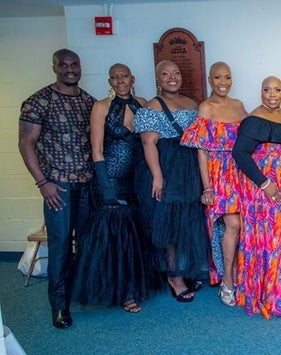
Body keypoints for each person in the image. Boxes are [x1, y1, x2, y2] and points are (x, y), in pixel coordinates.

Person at [18, 49, 96, 329]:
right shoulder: (39, 101)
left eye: (74, 64)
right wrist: (43, 183)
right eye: (63, 65)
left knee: (87, 243)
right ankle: (59, 306)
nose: (70, 69)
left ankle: (79, 293)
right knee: (61, 245)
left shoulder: (89, 101)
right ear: (54, 67)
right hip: (57, 187)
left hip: (87, 184)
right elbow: (25, 142)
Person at [73, 63, 154, 313]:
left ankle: (133, 286)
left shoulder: (142, 103)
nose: (120, 81)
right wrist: (105, 186)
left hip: (137, 178)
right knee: (117, 237)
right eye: (114, 78)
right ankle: (124, 292)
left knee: (136, 235)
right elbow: (96, 150)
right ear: (109, 81)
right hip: (111, 178)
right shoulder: (101, 107)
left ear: (132, 78)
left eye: (124, 76)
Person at [134, 60, 208, 303]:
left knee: (188, 223)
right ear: (158, 80)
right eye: (165, 74)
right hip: (167, 168)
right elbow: (148, 143)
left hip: (190, 168)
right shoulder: (151, 107)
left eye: (176, 73)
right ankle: (174, 278)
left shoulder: (192, 103)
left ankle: (186, 271)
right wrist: (157, 176)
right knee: (169, 225)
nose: (172, 77)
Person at [232, 76, 281, 319]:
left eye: (277, 90)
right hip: (265, 191)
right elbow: (240, 154)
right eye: (267, 90)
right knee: (270, 239)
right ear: (260, 92)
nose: (272, 94)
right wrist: (265, 184)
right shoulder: (254, 119)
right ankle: (268, 290)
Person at [181, 62, 246, 307]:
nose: (223, 82)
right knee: (233, 224)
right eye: (218, 77)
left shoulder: (239, 105)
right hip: (220, 174)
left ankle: (240, 275)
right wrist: (207, 187)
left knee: (244, 227)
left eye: (227, 77)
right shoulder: (206, 107)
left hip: (241, 172)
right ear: (210, 79)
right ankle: (227, 280)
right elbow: (201, 152)